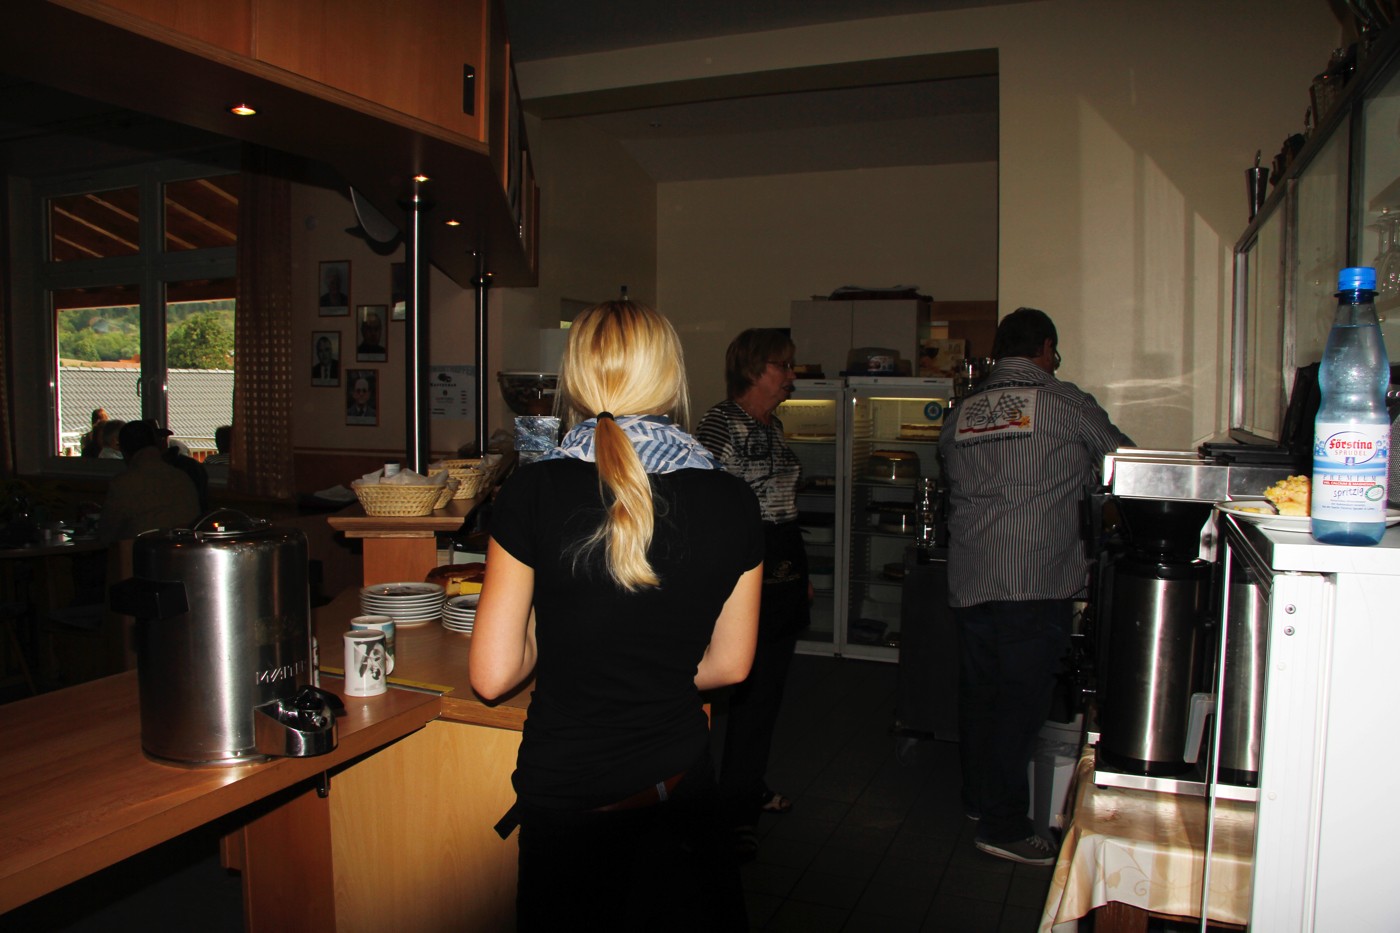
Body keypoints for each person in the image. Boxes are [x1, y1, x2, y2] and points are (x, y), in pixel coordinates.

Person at [470, 300, 764, 932]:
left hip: (568, 805)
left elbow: (493, 676)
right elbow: (732, 665)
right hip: (679, 794)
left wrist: (560, 623)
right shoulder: (734, 499)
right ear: (672, 376)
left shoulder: (532, 491)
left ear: (576, 378)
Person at [938, 307, 1132, 866]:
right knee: (1020, 704)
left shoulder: (963, 410)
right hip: (1033, 576)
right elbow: (1125, 462)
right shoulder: (1063, 402)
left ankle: (979, 798)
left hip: (971, 575)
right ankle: (1003, 824)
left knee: (981, 695)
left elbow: (949, 473)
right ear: (1046, 348)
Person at [695, 328, 808, 859]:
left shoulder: (773, 425)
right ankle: (733, 811)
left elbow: (784, 506)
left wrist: (802, 574)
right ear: (754, 369)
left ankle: (747, 783)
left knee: (766, 693)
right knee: (745, 690)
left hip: (783, 561)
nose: (791, 375)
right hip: (743, 568)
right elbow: (706, 506)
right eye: (783, 366)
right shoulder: (721, 423)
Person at [96, 419, 201, 544]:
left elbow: (106, 534)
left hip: (142, 553)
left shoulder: (124, 484)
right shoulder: (182, 477)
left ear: (124, 450)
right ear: (155, 443)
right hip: (184, 551)